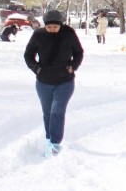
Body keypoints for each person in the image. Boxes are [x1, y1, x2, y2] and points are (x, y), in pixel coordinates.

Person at [23, 10, 84, 157]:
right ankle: (49, 141)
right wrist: (36, 68)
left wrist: (72, 66)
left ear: (60, 25)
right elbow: (28, 55)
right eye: (49, 27)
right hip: (43, 81)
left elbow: (79, 52)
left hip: (65, 81)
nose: (52, 30)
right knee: (47, 113)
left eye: (55, 27)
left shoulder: (68, 33)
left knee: (57, 111)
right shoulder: (38, 35)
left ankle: (55, 145)